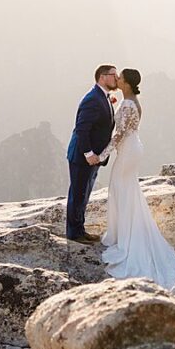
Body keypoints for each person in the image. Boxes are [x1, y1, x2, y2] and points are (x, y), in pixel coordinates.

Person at [97, 68, 175, 286]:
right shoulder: (131, 100)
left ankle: (124, 239)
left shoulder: (127, 104)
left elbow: (119, 134)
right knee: (127, 189)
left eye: (120, 77)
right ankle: (123, 233)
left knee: (119, 188)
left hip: (128, 150)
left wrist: (100, 156)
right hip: (133, 147)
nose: (117, 79)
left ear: (125, 83)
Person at [65, 64, 118, 242]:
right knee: (78, 193)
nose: (116, 78)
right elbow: (82, 129)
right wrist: (88, 154)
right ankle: (74, 233)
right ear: (102, 77)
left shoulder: (103, 97)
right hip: (82, 157)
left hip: (93, 158)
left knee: (84, 194)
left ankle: (80, 229)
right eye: (113, 75)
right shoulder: (93, 99)